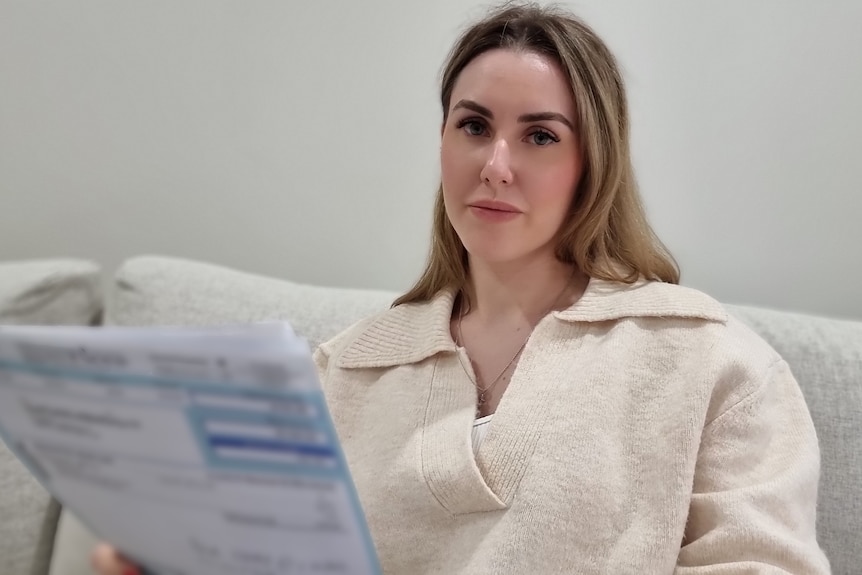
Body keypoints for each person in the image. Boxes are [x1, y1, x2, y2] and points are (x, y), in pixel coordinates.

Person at [92, 3, 830, 574]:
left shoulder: (711, 363)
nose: (496, 164)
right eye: (473, 125)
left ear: (593, 162)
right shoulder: (340, 373)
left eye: (540, 136)